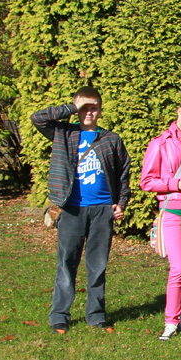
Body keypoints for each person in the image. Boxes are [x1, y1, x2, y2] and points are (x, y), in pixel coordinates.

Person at [32, 87, 130, 335]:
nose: (89, 112)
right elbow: (38, 118)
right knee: (67, 263)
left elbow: (123, 173)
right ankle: (59, 315)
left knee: (97, 265)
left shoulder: (111, 139)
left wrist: (121, 202)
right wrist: (72, 108)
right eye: (83, 107)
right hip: (72, 209)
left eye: (93, 107)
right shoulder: (64, 133)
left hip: (102, 210)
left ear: (101, 110)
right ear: (75, 108)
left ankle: (96, 315)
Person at [140, 96, 181, 340]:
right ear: (179, 112)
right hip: (171, 211)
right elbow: (147, 181)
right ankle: (170, 320)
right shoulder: (160, 144)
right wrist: (177, 184)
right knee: (178, 267)